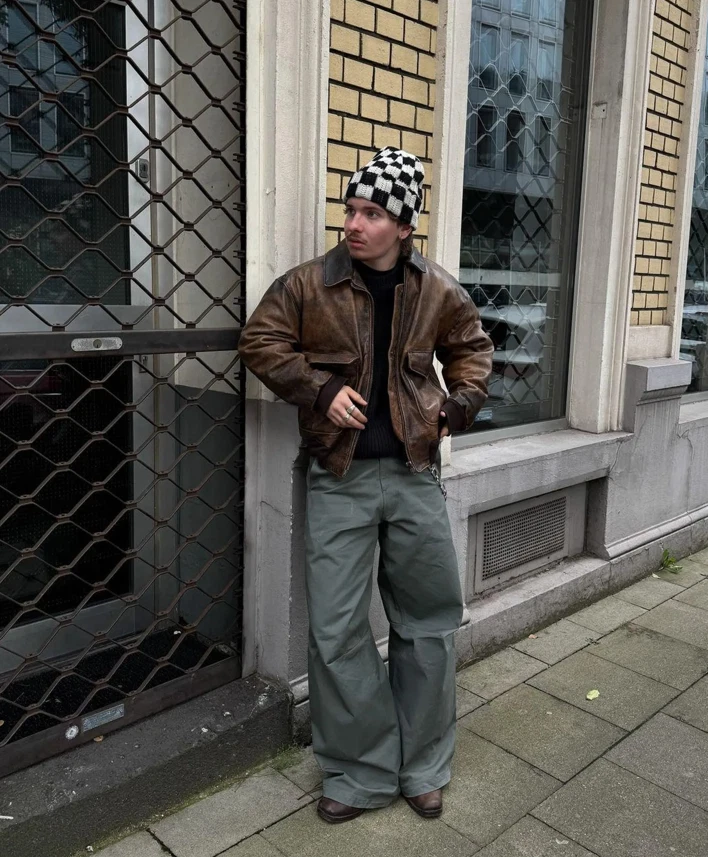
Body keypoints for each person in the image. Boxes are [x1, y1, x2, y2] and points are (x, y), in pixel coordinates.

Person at [238, 147, 494, 823]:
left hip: (414, 476)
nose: (354, 223)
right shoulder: (307, 285)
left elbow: (472, 349)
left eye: (373, 213)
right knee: (336, 630)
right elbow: (260, 341)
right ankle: (358, 771)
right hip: (339, 477)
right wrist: (318, 389)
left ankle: (422, 766)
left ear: (404, 226)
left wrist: (457, 406)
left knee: (428, 624)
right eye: (351, 209)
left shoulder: (436, 289)